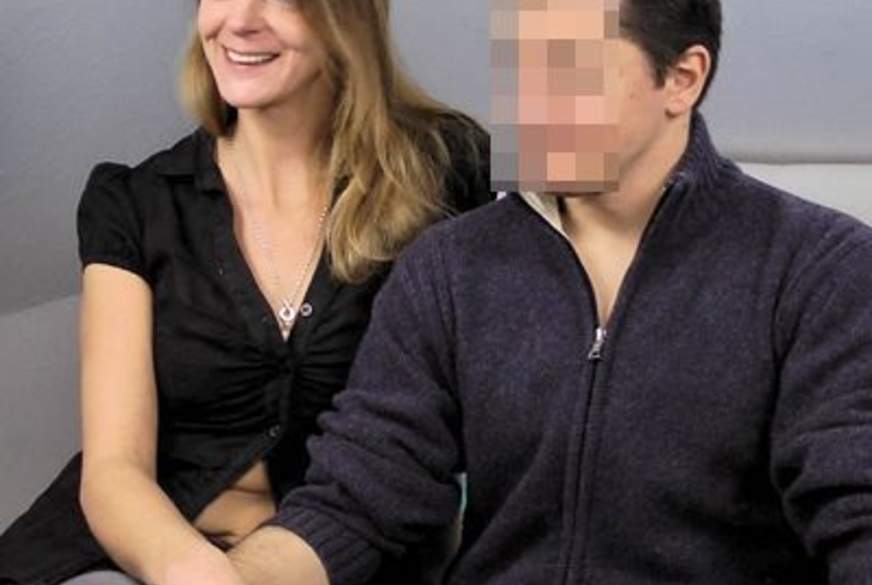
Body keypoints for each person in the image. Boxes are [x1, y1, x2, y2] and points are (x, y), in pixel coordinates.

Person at [212, 0, 872, 584]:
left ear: (682, 78)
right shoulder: (449, 267)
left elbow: (856, 511)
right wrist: (232, 577)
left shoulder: (819, 269)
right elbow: (356, 499)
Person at [0, 1, 489, 584]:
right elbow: (114, 472)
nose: (239, 20)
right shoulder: (133, 203)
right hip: (137, 558)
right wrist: (201, 574)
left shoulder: (450, 172)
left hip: (340, 564)